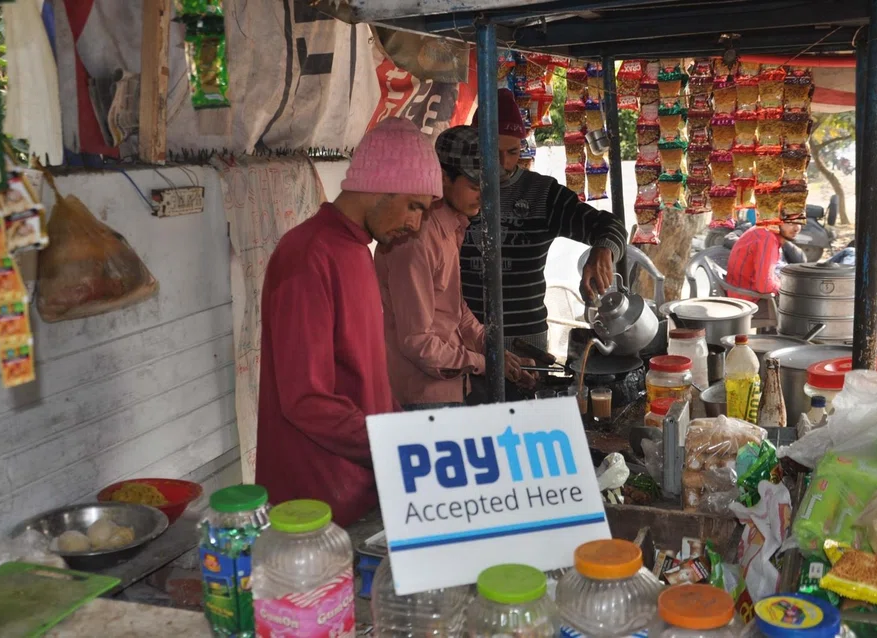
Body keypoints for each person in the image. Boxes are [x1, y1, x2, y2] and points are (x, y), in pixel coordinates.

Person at [255, 118, 443, 527]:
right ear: (380, 185)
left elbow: (366, 376)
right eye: (414, 206)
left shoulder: (358, 251)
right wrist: (390, 443)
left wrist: (408, 430)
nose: (416, 225)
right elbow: (307, 399)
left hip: (361, 489)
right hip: (314, 505)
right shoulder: (307, 254)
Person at [376, 126, 535, 410]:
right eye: (474, 186)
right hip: (422, 395)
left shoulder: (451, 226)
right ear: (443, 178)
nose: (484, 196)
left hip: (447, 386)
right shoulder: (417, 238)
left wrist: (493, 350)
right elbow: (418, 342)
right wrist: (484, 362)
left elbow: (454, 309)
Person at [461, 89, 628, 355]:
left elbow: (610, 225)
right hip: (463, 339)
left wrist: (603, 249)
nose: (503, 163)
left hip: (525, 343)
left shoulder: (541, 193)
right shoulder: (457, 189)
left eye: (512, 151)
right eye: (492, 151)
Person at [725, 212, 805, 303]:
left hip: (747, 292)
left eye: (799, 222)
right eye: (790, 223)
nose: (797, 228)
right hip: (749, 300)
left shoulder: (764, 230)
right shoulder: (767, 238)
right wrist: (790, 290)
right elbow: (765, 286)